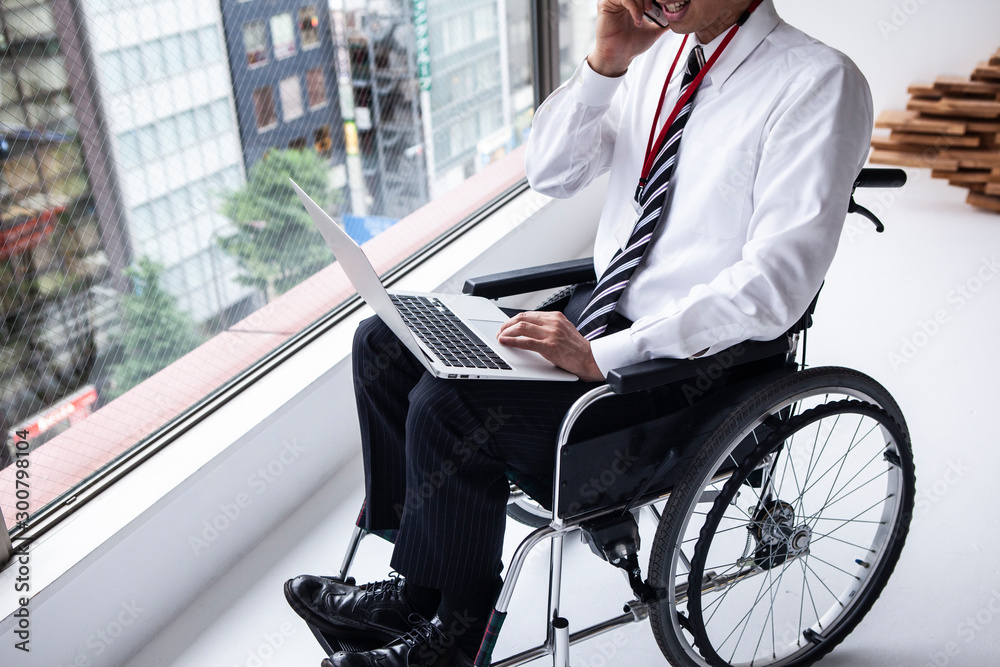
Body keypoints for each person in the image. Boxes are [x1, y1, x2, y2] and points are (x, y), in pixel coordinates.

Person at [285, 0, 874, 665]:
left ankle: (451, 636)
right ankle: (415, 590)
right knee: (383, 344)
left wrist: (605, 354)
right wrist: (607, 64)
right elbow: (552, 174)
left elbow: (773, 290)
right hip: (594, 315)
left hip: (687, 369)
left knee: (447, 407)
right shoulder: (660, 56)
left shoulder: (818, 82)